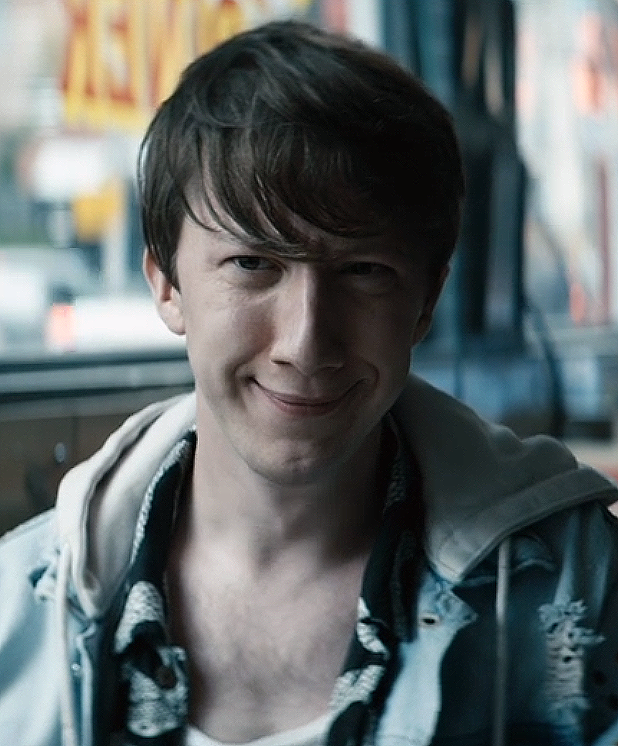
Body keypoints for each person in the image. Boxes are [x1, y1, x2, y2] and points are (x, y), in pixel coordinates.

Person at [2, 18, 618, 746]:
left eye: (363, 272)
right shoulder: (25, 609)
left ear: (426, 301)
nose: (305, 343)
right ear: (166, 284)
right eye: (253, 264)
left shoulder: (572, 588)